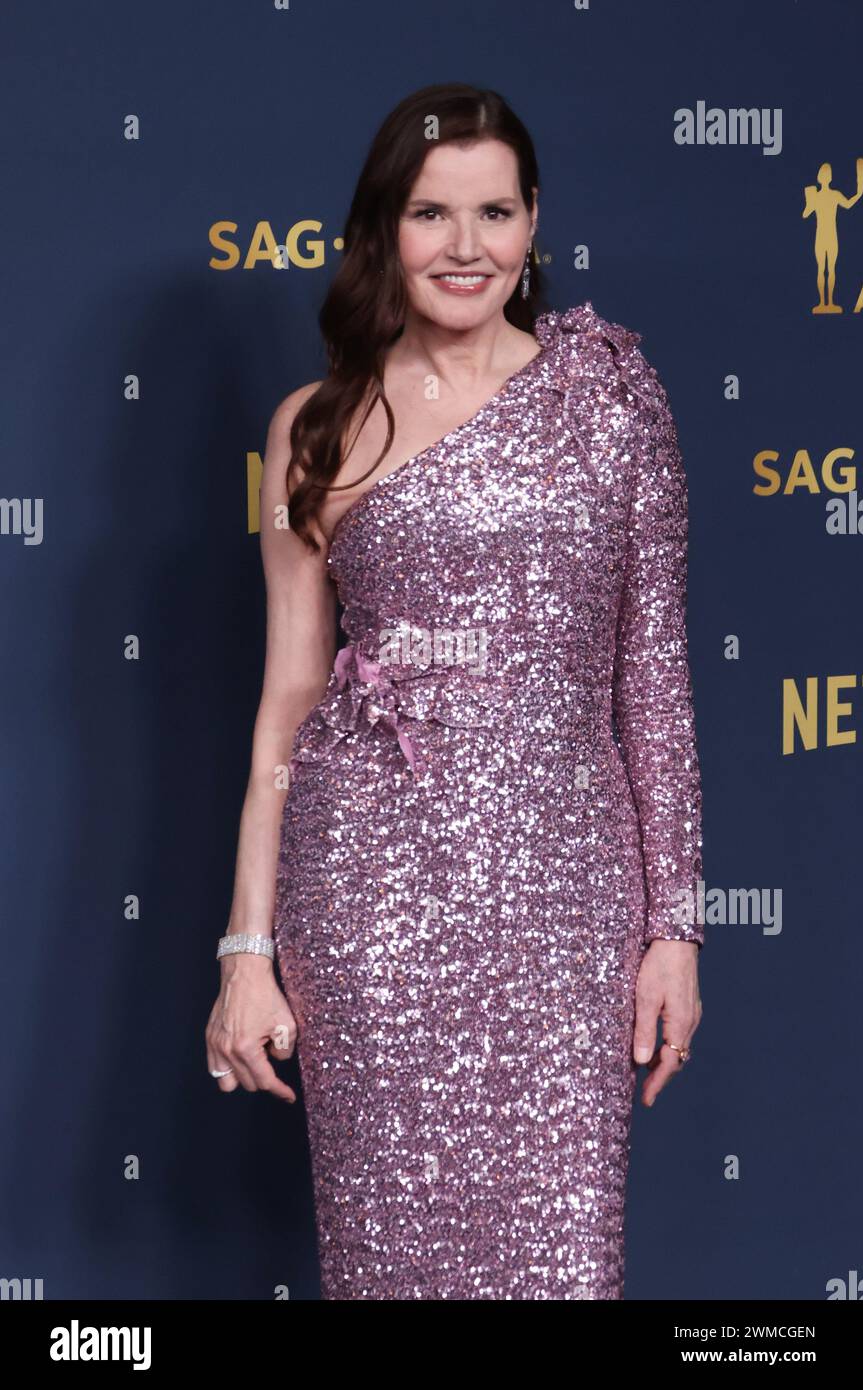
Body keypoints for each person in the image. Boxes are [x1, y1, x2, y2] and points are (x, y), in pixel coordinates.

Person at [205, 83, 704, 1301]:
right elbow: (286, 702)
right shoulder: (312, 429)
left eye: (493, 212)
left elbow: (654, 683)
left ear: (535, 223)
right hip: (366, 902)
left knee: (562, 1267)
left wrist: (674, 928)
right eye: (431, 213)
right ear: (384, 228)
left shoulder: (611, 404)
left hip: (565, 909)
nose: (464, 246)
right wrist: (246, 949)